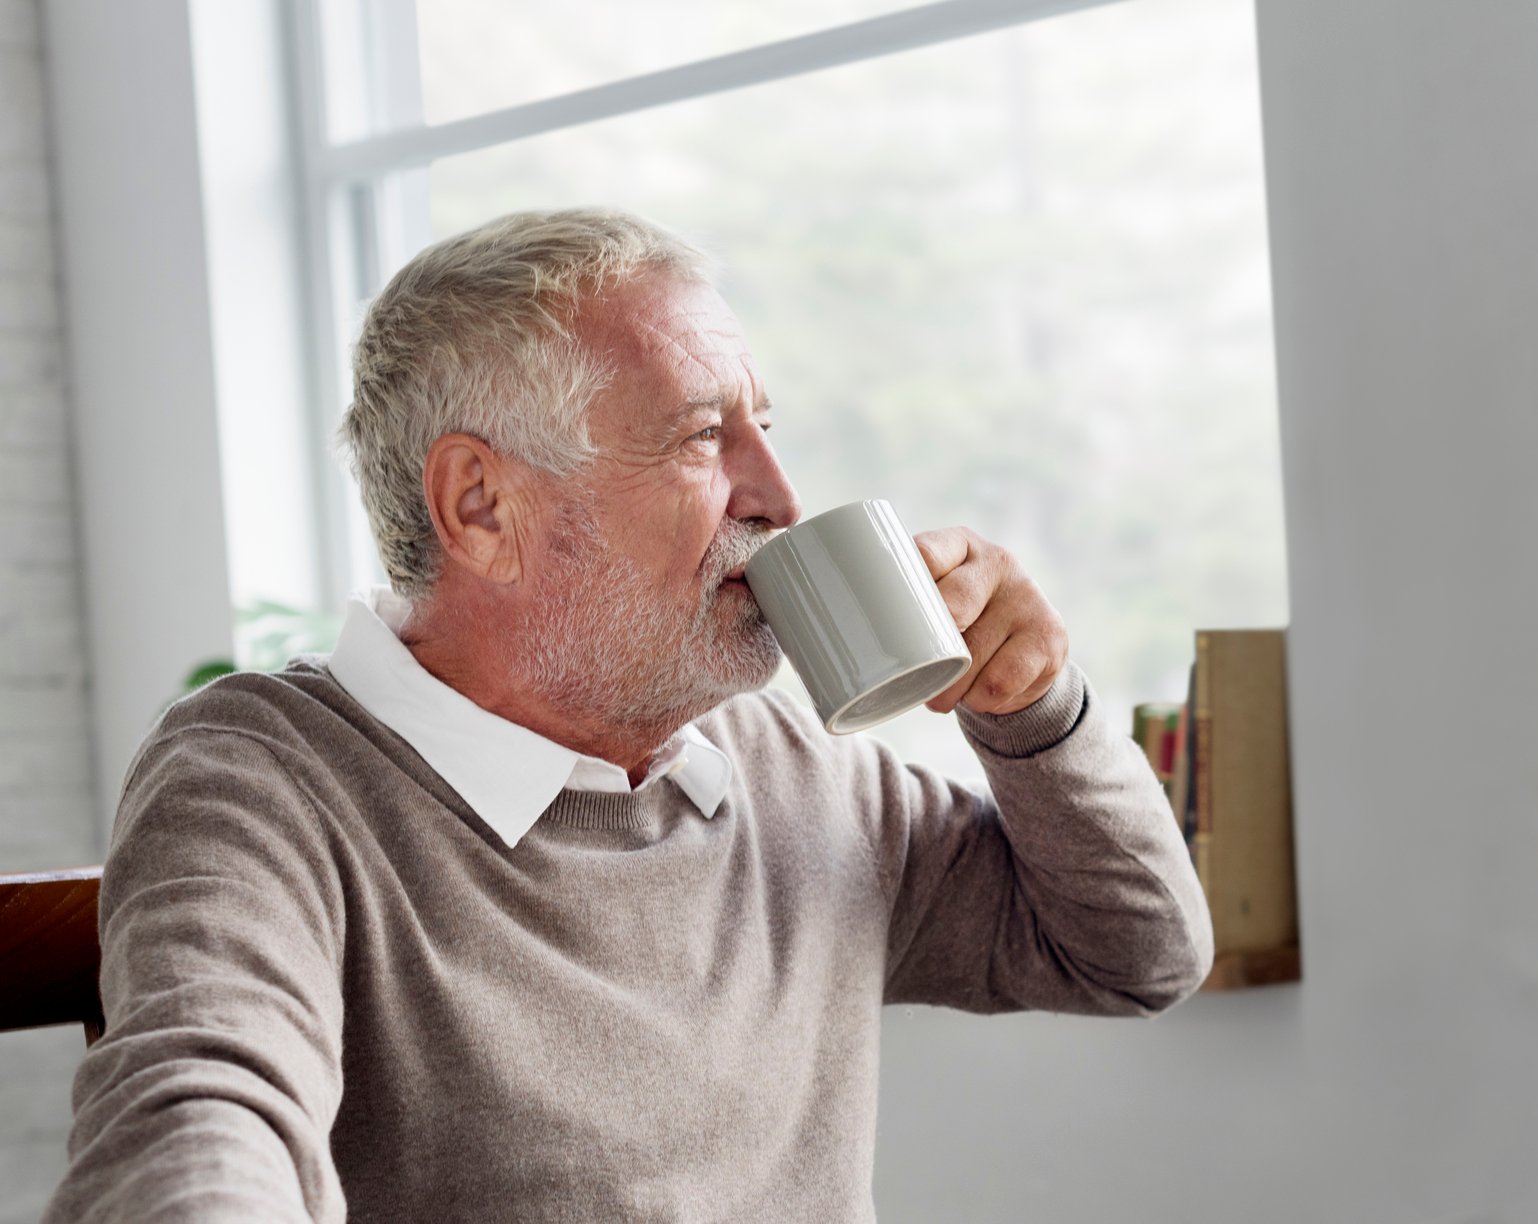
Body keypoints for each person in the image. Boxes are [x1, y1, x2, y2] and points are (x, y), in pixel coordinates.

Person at [44, 208, 1212, 1223]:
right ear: (481, 505)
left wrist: (1031, 708)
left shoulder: (776, 763)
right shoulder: (266, 776)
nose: (779, 496)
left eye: (766, 425)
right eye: (706, 436)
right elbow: (197, 1116)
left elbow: (1133, 954)